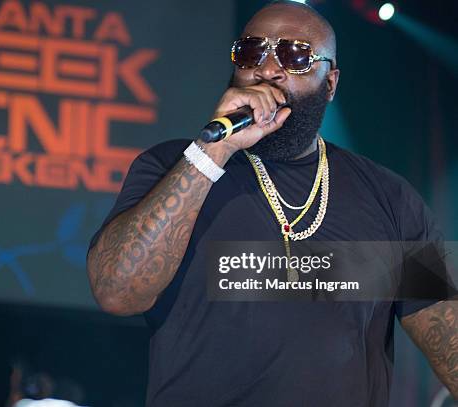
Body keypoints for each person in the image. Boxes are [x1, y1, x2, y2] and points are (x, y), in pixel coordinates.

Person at [86, 1, 458, 405]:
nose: (267, 69)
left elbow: (448, 340)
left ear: (330, 83)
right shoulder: (172, 166)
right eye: (251, 52)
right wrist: (213, 151)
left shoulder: (391, 199)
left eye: (295, 55)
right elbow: (117, 291)